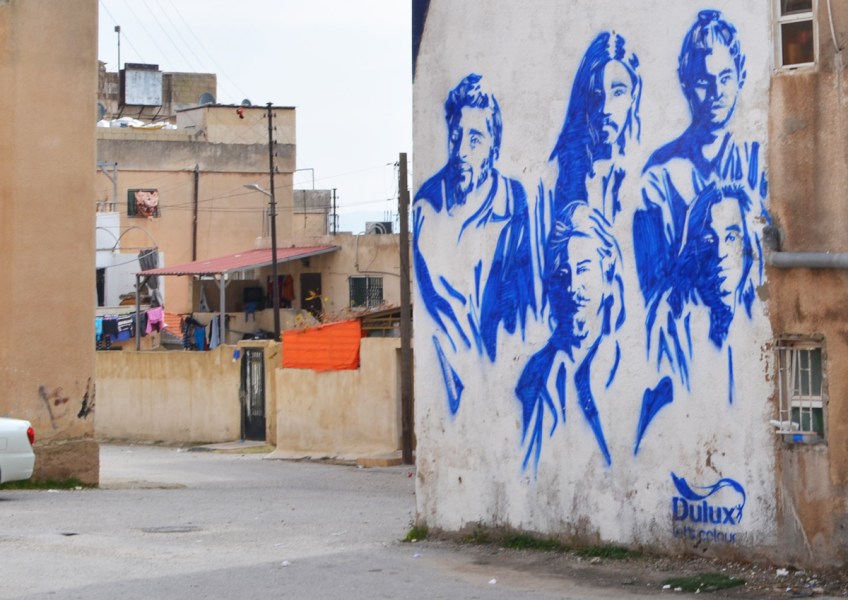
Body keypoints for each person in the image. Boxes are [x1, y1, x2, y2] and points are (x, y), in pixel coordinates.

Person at [632, 10, 768, 452]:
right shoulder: (658, 175)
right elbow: (653, 290)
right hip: (683, 348)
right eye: (705, 81)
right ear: (686, 83)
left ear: (741, 75)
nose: (717, 92)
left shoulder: (755, 163)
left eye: (726, 77)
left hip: (744, 344)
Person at [413, 73, 536, 414]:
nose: (461, 152)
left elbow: (523, 301)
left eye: (475, 140)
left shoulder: (514, 201)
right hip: (457, 384)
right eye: (456, 137)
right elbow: (442, 315)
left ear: (494, 147)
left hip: (507, 379)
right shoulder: (427, 209)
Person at [516, 201, 624, 471]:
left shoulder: (626, 369)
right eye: (563, 274)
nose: (573, 286)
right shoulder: (533, 379)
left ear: (607, 279)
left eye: (584, 269)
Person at [545, 31, 641, 231]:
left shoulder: (642, 173)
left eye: (618, 92)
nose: (605, 109)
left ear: (633, 96)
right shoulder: (563, 173)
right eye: (597, 95)